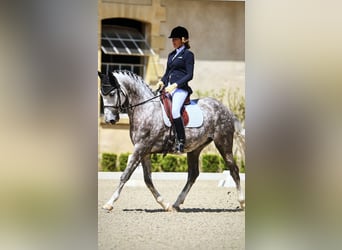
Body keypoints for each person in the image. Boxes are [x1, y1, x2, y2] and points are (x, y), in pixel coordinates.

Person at [155, 26, 194, 153]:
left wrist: (176, 85)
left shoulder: (188, 55)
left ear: (183, 39)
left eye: (175, 39)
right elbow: (167, 72)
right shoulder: (171, 55)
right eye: (172, 39)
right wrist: (162, 81)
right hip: (169, 88)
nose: (173, 41)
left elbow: (189, 75)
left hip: (181, 89)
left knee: (175, 111)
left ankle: (181, 140)